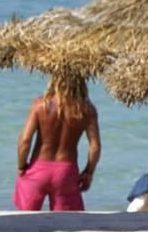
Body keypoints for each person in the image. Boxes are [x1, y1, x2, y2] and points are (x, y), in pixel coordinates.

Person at [14, 76, 100, 211]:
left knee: (25, 219)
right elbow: (95, 146)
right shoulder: (87, 110)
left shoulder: (39, 105)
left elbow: (25, 141)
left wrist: (21, 166)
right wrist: (88, 172)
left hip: (38, 170)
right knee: (67, 224)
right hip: (66, 172)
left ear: (54, 82)